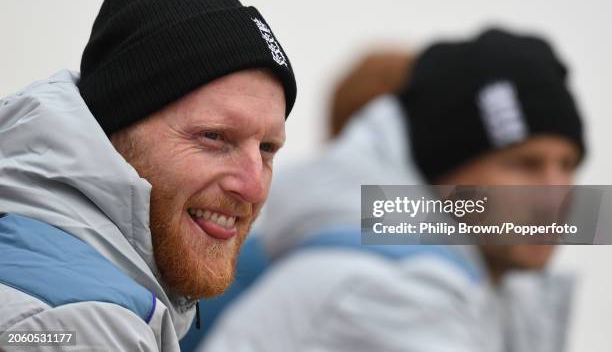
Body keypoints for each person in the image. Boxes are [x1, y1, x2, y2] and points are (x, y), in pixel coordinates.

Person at [201, 28, 585, 352]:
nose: (555, 193)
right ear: (444, 174)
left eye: (568, 165)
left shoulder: (479, 287)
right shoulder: (392, 290)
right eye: (525, 165)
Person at [0, 0, 296, 351]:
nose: (253, 185)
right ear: (114, 126)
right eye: (213, 137)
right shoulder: (82, 321)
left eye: (268, 148)